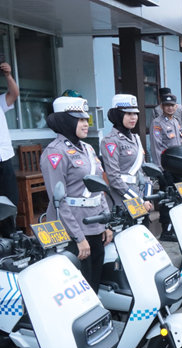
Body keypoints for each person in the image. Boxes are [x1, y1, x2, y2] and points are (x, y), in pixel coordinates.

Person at [41, 97, 113, 293]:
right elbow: (59, 200)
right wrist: (78, 237)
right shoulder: (55, 152)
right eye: (79, 120)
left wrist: (105, 223)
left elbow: (99, 187)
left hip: (95, 224)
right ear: (66, 121)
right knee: (80, 285)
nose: (85, 123)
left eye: (85, 119)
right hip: (72, 231)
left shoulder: (88, 148)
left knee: (95, 281)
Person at [100, 94, 153, 212]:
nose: (133, 117)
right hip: (122, 201)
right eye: (128, 114)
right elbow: (114, 178)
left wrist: (147, 197)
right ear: (118, 115)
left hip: (141, 199)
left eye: (135, 113)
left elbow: (144, 172)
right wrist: (138, 201)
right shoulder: (110, 141)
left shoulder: (136, 139)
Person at [150, 93, 182, 241]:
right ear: (162, 106)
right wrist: (161, 170)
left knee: (178, 198)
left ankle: (175, 228)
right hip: (165, 169)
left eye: (172, 105)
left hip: (177, 168)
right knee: (167, 199)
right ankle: (166, 231)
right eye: (166, 105)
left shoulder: (176, 121)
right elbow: (156, 148)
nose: (170, 108)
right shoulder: (157, 123)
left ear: (176, 106)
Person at [0, 61, 19, 237]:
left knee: (10, 199)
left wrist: (8, 75)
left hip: (4, 157)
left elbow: (14, 93)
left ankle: (9, 238)